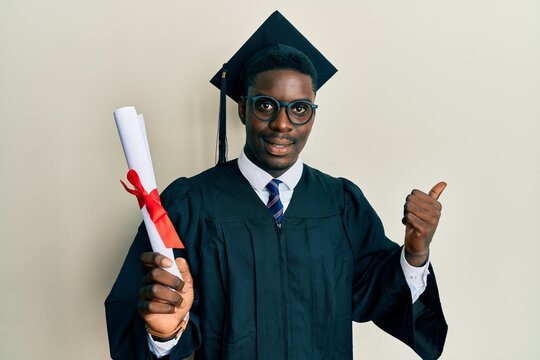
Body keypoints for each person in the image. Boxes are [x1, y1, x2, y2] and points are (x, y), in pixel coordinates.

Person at [105, 11, 448, 360]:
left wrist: (416, 252)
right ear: (242, 109)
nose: (282, 124)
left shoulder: (341, 203)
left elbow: (378, 294)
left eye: (299, 109)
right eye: (266, 105)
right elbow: (153, 313)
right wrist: (163, 332)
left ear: (313, 115)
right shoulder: (191, 204)